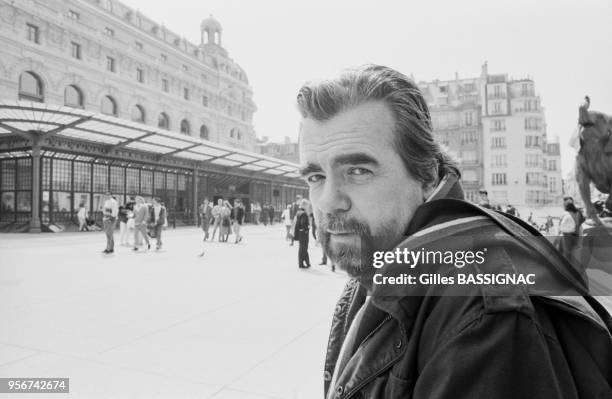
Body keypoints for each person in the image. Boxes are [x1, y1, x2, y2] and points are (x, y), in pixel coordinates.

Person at [296, 65, 612, 398]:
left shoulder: (481, 313)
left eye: (358, 171)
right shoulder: (381, 262)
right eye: (316, 177)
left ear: (428, 175)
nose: (329, 201)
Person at [559, 196, 585, 262]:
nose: (564, 205)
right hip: (576, 235)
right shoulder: (578, 212)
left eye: (564, 203)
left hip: (568, 235)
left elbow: (560, 226)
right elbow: (581, 221)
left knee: (566, 254)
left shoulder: (565, 214)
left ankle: (565, 268)